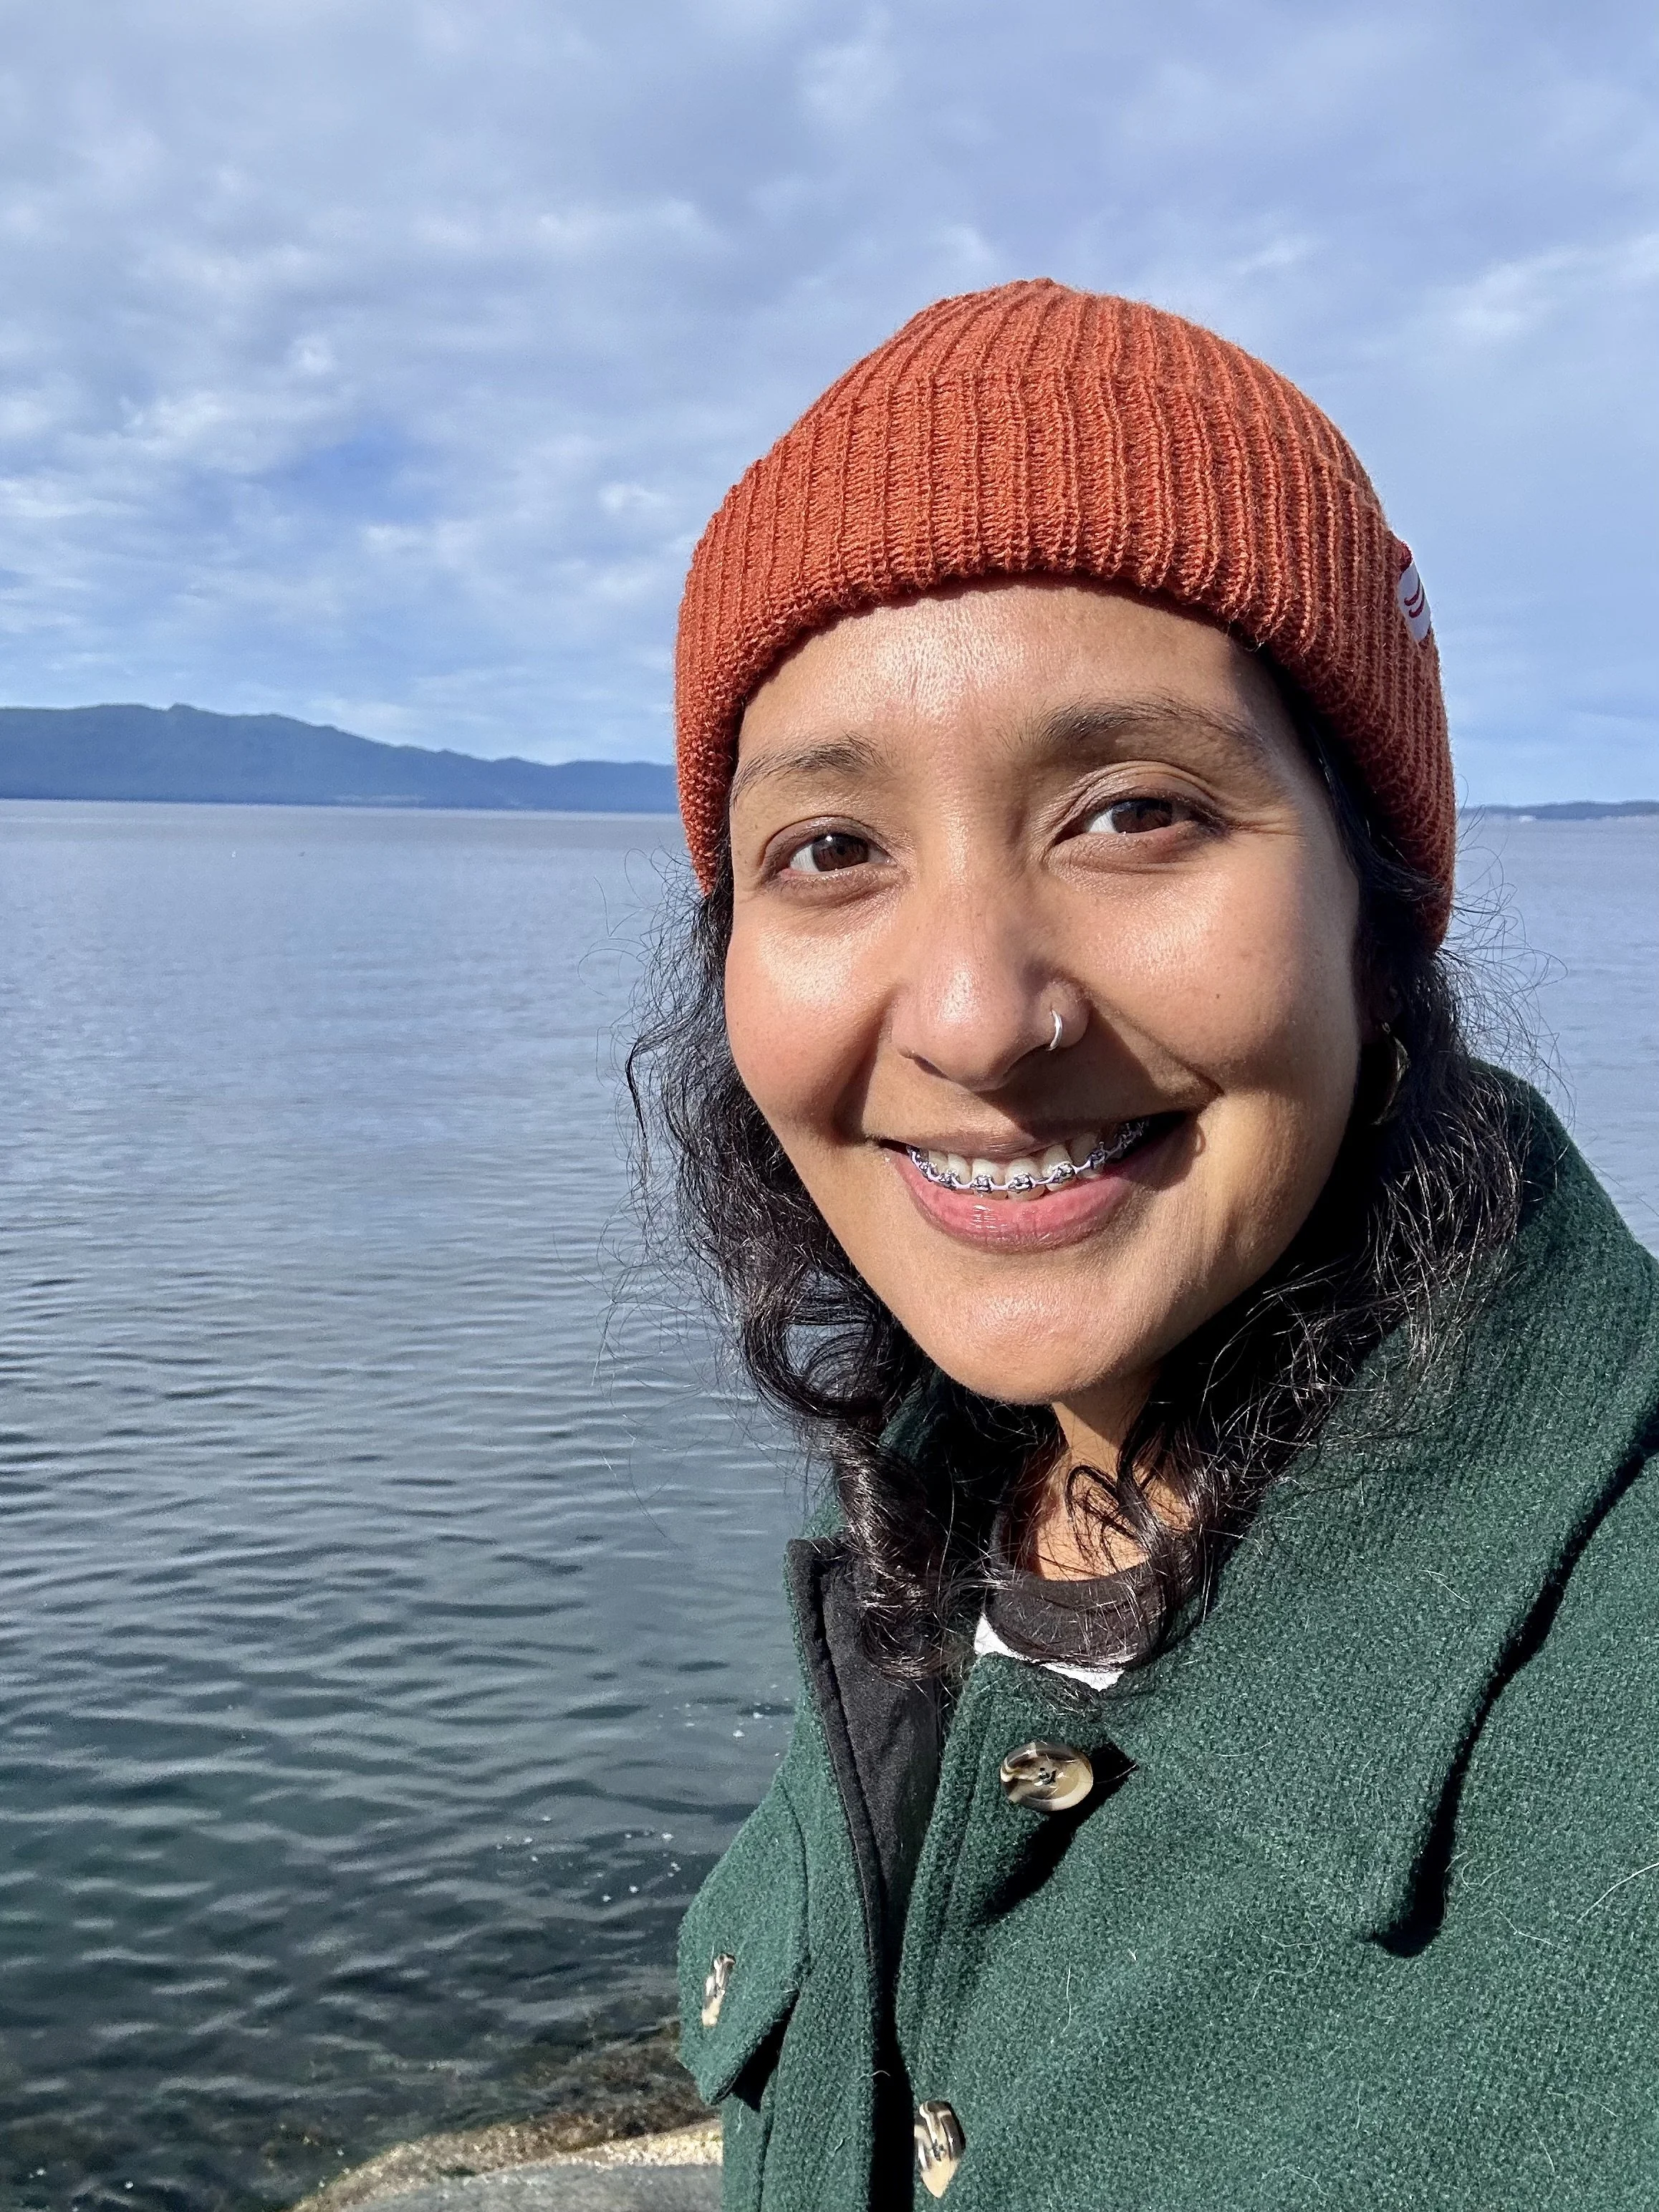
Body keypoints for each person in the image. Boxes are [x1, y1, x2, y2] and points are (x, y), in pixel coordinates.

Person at [631, 280, 1659, 2210]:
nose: (968, 1013)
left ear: (1379, 906)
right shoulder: (958, 1520)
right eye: (830, 850)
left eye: (1128, 811)